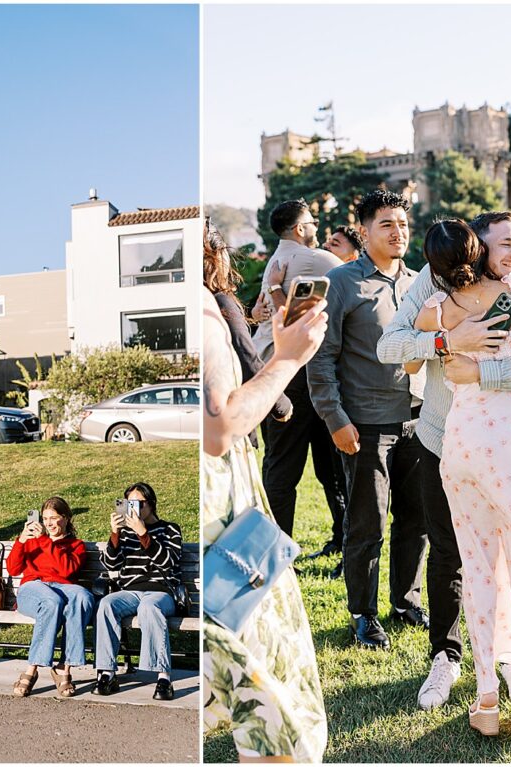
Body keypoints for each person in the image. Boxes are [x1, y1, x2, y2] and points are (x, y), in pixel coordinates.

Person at [377, 210, 511, 711]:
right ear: (477, 246)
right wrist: (446, 340)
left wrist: (484, 373)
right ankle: (445, 655)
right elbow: (390, 345)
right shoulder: (434, 280)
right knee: (448, 553)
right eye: (506, 243)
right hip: (443, 440)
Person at [202, 219, 330, 762]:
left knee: (253, 694)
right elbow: (220, 427)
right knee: (273, 705)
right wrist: (288, 360)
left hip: (224, 519)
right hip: (223, 530)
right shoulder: (202, 309)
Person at [307, 189, 429, 651]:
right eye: (387, 224)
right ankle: (364, 614)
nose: (398, 232)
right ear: (363, 231)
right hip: (364, 426)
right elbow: (320, 357)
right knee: (366, 525)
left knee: (415, 520)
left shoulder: (420, 283)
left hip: (419, 421)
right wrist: (334, 418)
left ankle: (406, 601)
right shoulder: (340, 282)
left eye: (403, 224)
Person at [250, 199, 348, 540]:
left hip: (275, 373)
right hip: (295, 375)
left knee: (287, 465)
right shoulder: (313, 258)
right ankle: (286, 548)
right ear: (299, 228)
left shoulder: (277, 260)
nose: (317, 228)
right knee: (302, 468)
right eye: (312, 222)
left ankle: (279, 546)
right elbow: (358, 272)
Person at [202, 217, 293, 449]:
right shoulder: (220, 301)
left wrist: (251, 317)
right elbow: (246, 356)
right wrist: (281, 404)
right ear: (218, 256)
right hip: (230, 422)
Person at [94, 482, 182, 701]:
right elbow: (111, 564)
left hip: (161, 592)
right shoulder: (125, 533)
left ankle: (163, 677)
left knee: (149, 607)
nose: (133, 508)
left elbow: (168, 563)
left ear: (151, 504)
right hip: (130, 591)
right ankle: (107, 673)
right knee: (106, 604)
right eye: (129, 503)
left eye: (139, 503)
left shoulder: (170, 529)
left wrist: (143, 533)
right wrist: (115, 534)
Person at [7, 496, 94, 698]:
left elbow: (65, 570)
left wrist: (46, 542)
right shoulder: (31, 541)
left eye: (54, 518)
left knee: (83, 596)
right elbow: (13, 569)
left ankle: (64, 668)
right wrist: (21, 540)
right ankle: (32, 669)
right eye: (45, 518)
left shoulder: (76, 546)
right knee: (51, 601)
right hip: (33, 589)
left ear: (66, 518)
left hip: (63, 589)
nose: (49, 523)